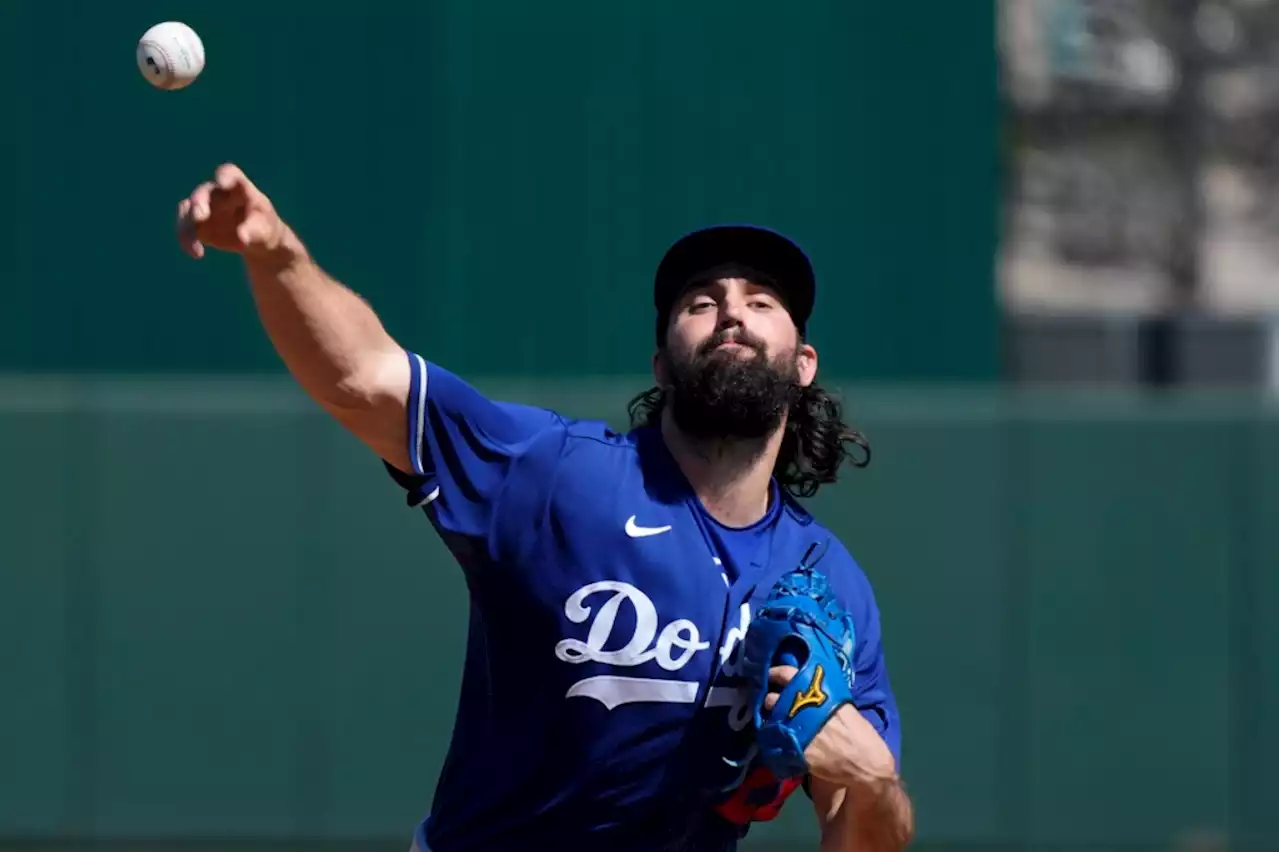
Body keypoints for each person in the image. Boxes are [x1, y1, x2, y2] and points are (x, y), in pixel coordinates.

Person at [175, 163, 914, 852]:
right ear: (661, 363)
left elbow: (863, 835)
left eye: (760, 302)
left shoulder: (833, 584)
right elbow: (363, 378)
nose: (730, 315)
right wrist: (275, 253)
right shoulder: (558, 476)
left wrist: (872, 777)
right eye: (701, 303)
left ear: (804, 363)